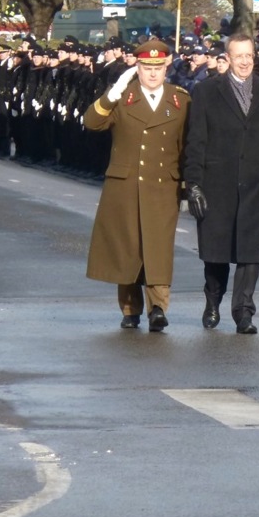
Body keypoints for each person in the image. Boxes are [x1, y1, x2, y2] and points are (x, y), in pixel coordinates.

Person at [184, 33, 259, 335]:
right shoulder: (206, 91)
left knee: (249, 251)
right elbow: (197, 140)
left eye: (249, 55)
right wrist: (192, 184)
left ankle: (244, 311)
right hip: (216, 181)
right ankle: (213, 300)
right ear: (227, 58)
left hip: (254, 181)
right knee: (217, 250)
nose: (244, 62)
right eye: (238, 56)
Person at [84, 39, 190, 332]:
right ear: (137, 67)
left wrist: (187, 187)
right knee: (127, 245)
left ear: (167, 66)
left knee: (158, 247)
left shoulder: (180, 100)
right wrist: (112, 93)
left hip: (162, 184)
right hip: (126, 184)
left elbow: (186, 147)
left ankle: (158, 307)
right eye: (146, 67)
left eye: (158, 67)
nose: (152, 74)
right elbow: (91, 122)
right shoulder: (123, 98)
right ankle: (130, 309)